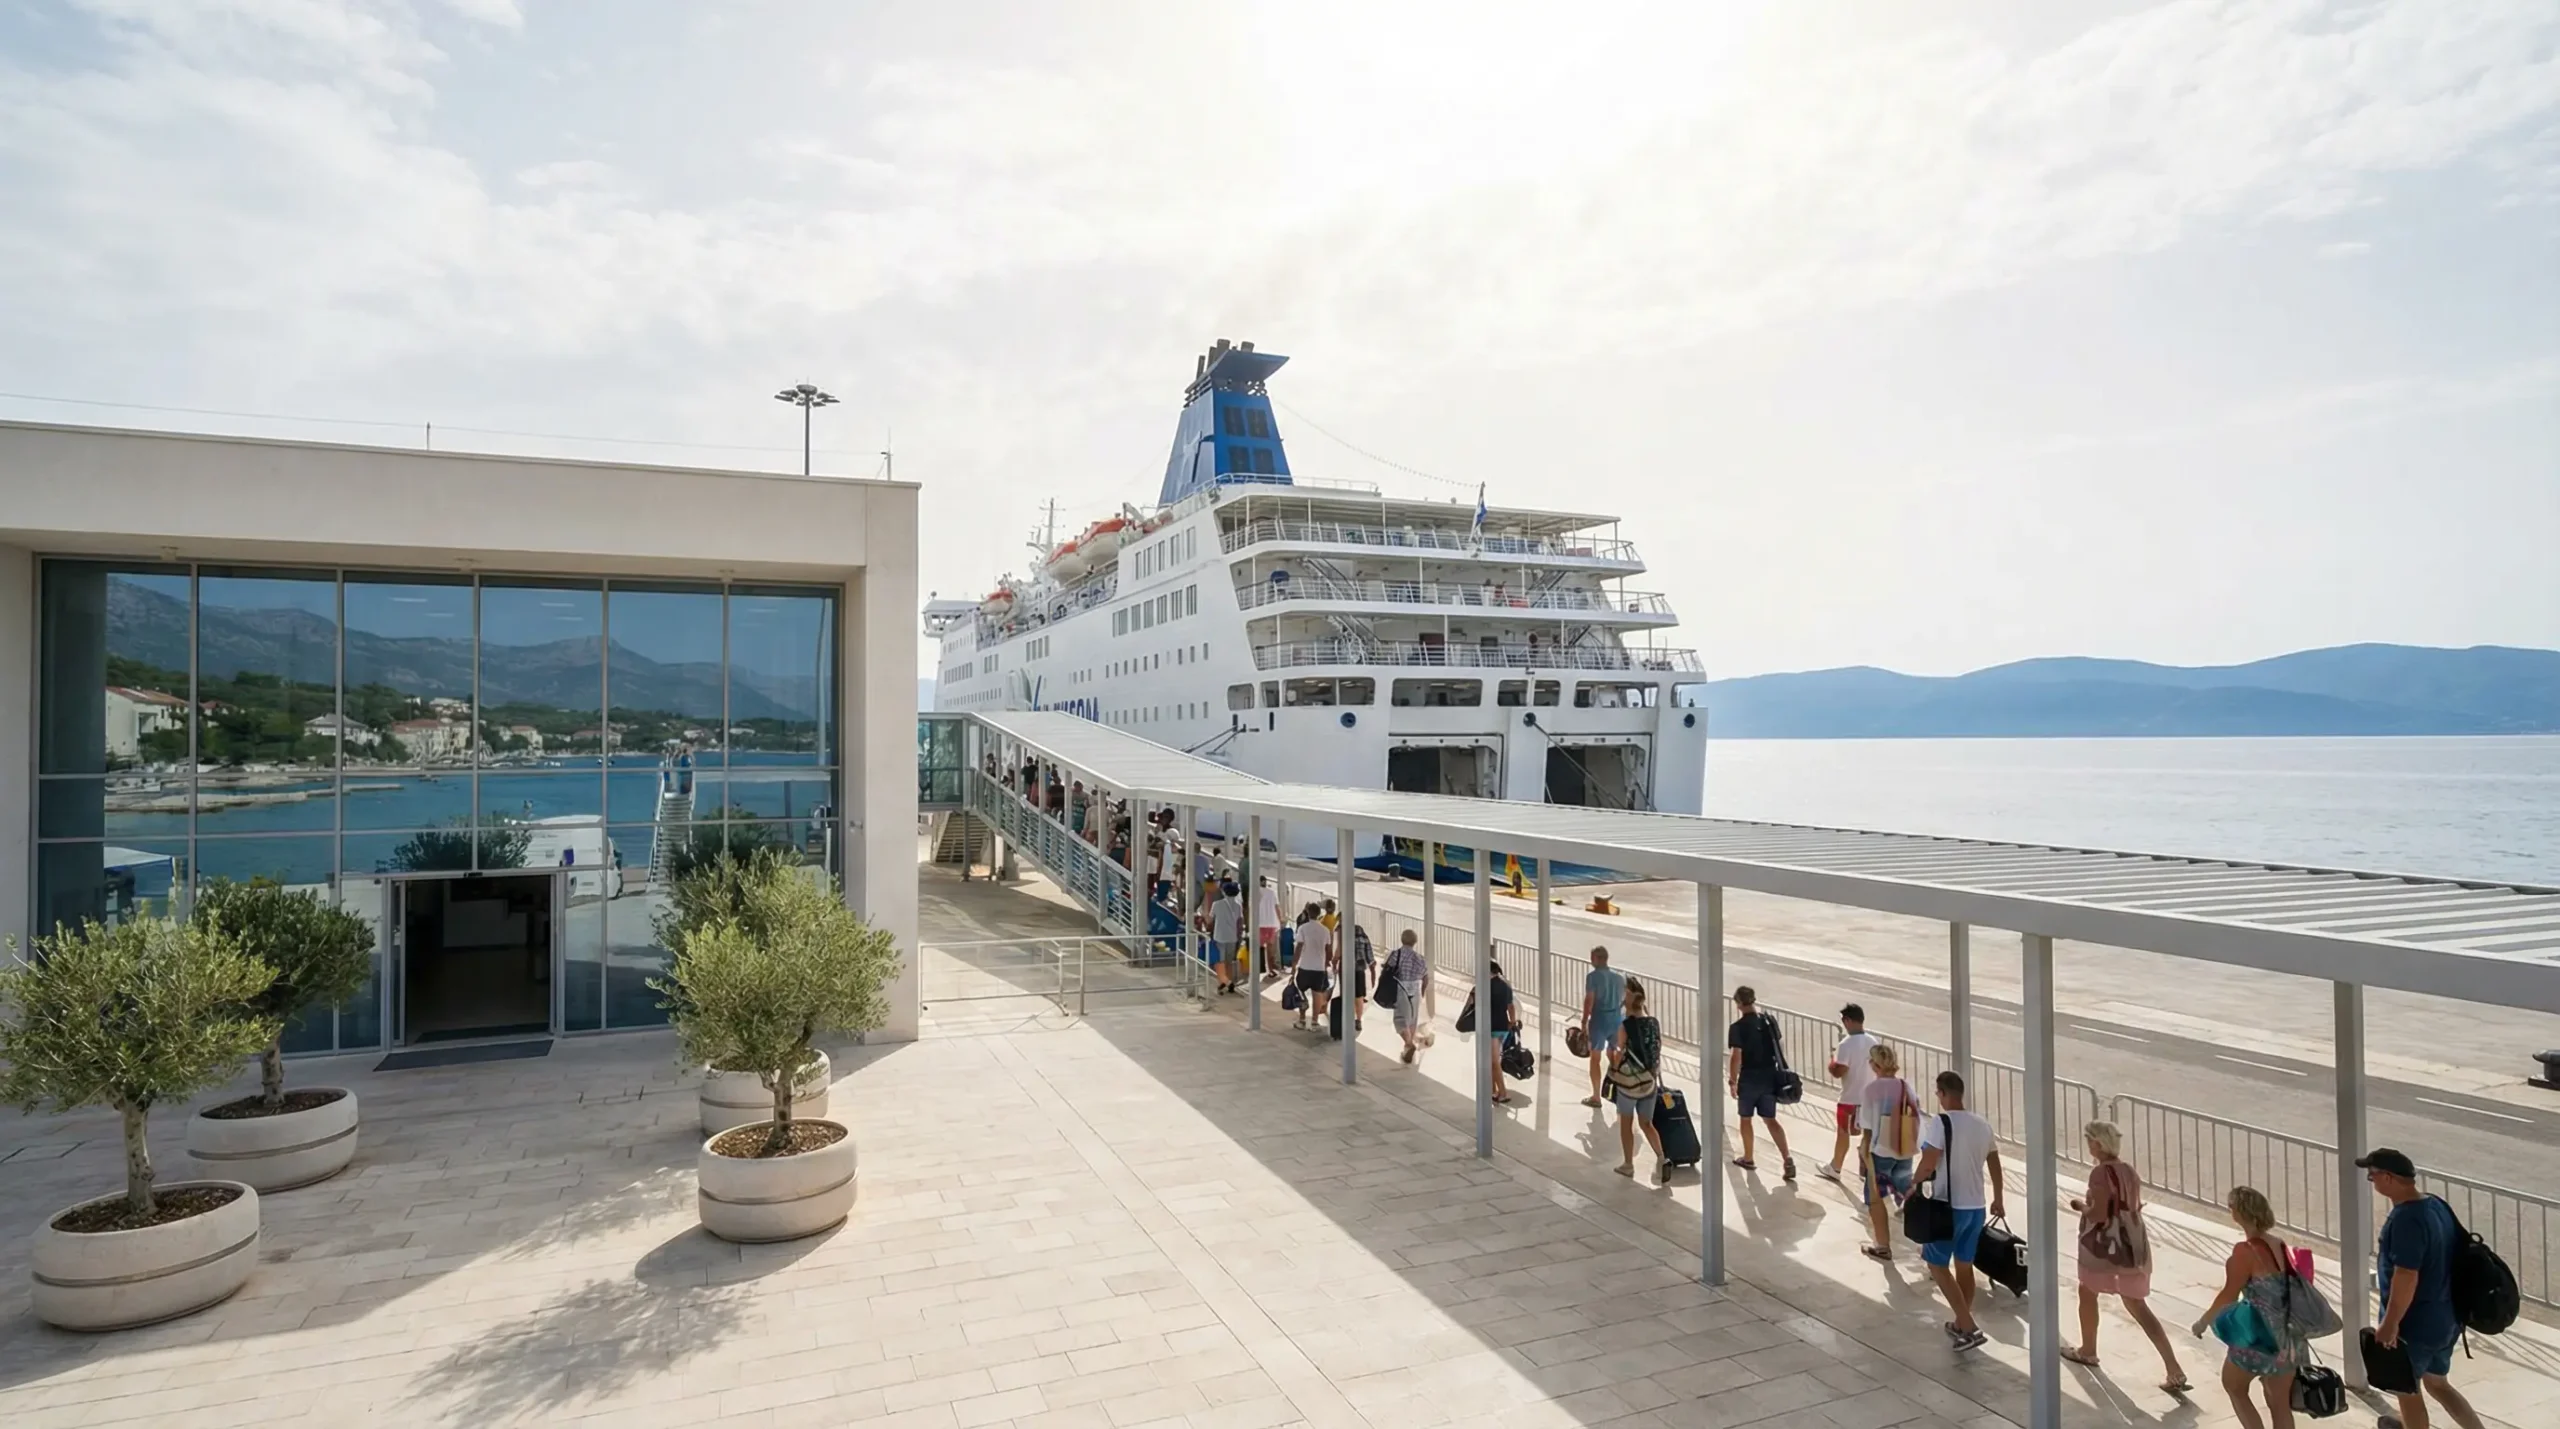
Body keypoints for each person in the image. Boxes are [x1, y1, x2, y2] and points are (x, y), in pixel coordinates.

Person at [2363, 1148, 2485, 1429]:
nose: (2372, 1182)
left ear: (2389, 1178)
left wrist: (2390, 1323)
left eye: (2373, 1176)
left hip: (2414, 1325)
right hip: (2446, 1318)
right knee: (2439, 1384)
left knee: (2407, 1392)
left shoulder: (2406, 1219)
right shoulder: (2435, 1205)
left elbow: (2406, 1275)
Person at [2065, 1120, 2189, 1393]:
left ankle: (2088, 1349)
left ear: (2097, 1144)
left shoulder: (2100, 1174)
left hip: (2104, 1247)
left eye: (2090, 1140)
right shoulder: (2129, 1171)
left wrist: (2079, 1206)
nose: (2088, 1145)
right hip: (2132, 1245)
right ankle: (2173, 1367)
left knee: (2087, 1291)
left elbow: (2098, 1214)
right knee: (2138, 1305)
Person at [2189, 1185, 2300, 1429]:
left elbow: (2228, 1294)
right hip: (2288, 1335)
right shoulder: (2278, 1244)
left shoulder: (2244, 1251)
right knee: (2279, 1404)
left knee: (2234, 1386)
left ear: (2239, 1212)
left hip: (2258, 1336)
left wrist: (2204, 1321)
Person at [1913, 1069, 2003, 1351]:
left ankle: (1968, 1326)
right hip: (1975, 1206)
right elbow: (1994, 1162)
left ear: (1942, 1093)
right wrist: (1998, 1197)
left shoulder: (1940, 1123)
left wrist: (1912, 1184)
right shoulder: (1981, 1123)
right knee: (1964, 1266)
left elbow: (1929, 1163)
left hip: (1948, 1206)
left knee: (1936, 1264)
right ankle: (1961, 1320)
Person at [1856, 1043, 1919, 1262]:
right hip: (1904, 1149)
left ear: (1875, 1065)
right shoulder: (1906, 1086)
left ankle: (1883, 1246)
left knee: (1876, 1199)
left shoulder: (1872, 1090)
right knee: (1909, 1196)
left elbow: (1866, 1125)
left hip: (1880, 1149)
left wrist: (1863, 1152)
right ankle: (1927, 1247)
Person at [1725, 986, 1795, 1180]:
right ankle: (1787, 1157)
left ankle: (1748, 1158)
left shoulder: (1737, 1027)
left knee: (1745, 1119)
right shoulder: (1768, 1022)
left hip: (1749, 1079)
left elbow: (1736, 1056)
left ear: (1738, 1004)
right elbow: (1779, 1048)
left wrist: (1733, 1080)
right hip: (1769, 1077)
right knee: (1770, 1119)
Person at [1608, 978, 1669, 1182]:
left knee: (1626, 1124)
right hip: (1650, 1081)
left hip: (1630, 1084)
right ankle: (1662, 1158)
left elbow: (1618, 1053)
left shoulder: (1625, 1026)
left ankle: (1628, 1164)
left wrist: (1613, 1062)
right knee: (1647, 1123)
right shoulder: (1653, 1022)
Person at [1819, 1004, 1879, 1184]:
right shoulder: (1873, 1042)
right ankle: (1867, 1169)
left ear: (1848, 1021)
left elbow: (1839, 1071)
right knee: (1867, 1135)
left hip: (1849, 1098)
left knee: (1843, 1133)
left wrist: (1832, 1060)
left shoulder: (1845, 1044)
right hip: (1869, 1099)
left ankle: (1836, 1167)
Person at [1580, 947, 1627, 1109]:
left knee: (1595, 1058)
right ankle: (1619, 1093)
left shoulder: (1592, 977)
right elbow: (1624, 999)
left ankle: (1596, 1096)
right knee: (1615, 1056)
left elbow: (1589, 1000)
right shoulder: (1619, 977)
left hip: (1599, 1019)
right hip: (1616, 1019)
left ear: (1596, 958)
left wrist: (1584, 1020)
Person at [1475, 958, 1520, 1104]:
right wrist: (1512, 1022)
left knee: (1494, 1061)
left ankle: (1503, 1092)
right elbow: (1511, 1007)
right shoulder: (1506, 986)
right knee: (1492, 1059)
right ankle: (1492, 1090)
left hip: (1491, 1027)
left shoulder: (1485, 986)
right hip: (1503, 1026)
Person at [1383, 928, 1431, 1063]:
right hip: (1415, 989)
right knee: (1412, 1019)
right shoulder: (1420, 958)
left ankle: (1409, 1044)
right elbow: (1426, 978)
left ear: (1402, 939)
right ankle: (1407, 1048)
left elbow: (1387, 971)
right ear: (1415, 942)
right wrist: (1421, 992)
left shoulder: (1395, 955)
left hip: (1401, 989)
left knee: (1400, 1019)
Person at [1292, 906, 1331, 1031]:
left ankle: (1302, 1019)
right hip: (1319, 968)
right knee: (1317, 994)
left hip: (1305, 966)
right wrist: (1326, 963)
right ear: (1319, 914)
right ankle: (1314, 1021)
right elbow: (1328, 949)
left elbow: (1299, 947)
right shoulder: (1325, 930)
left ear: (1308, 913)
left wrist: (1294, 964)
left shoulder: (1303, 928)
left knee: (1301, 992)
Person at [1209, 882, 1244, 996]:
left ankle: (1223, 982)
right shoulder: (1238, 906)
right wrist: (1239, 937)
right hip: (1232, 937)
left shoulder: (1216, 904)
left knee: (1220, 962)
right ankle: (1229, 982)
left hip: (1219, 936)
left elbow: (1211, 921)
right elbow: (1239, 923)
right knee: (1229, 962)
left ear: (1224, 892)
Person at [1255, 876, 1281, 983]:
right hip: (1271, 923)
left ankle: (1258, 969)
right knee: (1270, 949)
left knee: (1258, 947)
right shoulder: (1272, 892)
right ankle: (1270, 970)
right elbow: (1277, 907)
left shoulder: (1255, 892)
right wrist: (1280, 919)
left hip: (1259, 923)